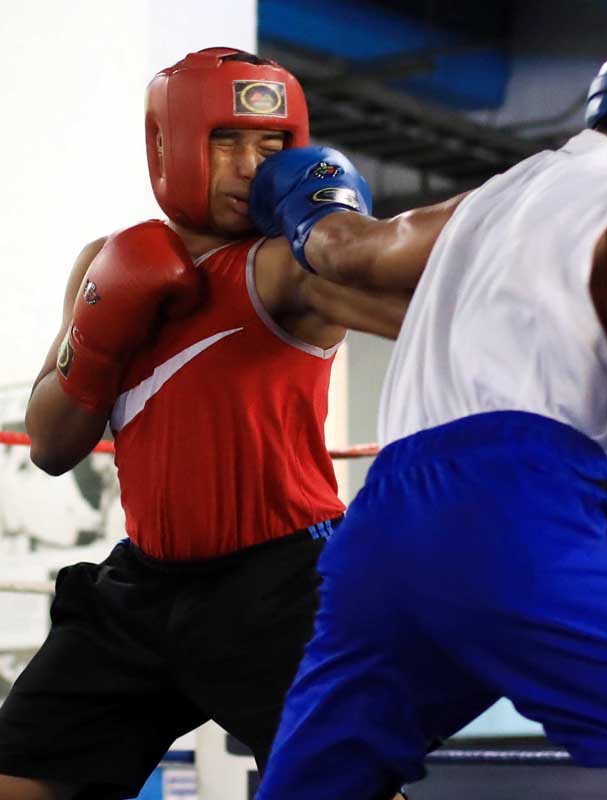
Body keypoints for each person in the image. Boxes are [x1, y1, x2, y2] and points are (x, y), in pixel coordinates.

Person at [250, 36, 607, 800]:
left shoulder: (498, 197)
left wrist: (303, 194)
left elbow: (347, 251)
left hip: (382, 531)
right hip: (519, 515)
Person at [0, 47, 442, 800]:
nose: (250, 166)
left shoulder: (287, 269)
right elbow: (50, 445)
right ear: (167, 145)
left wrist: (343, 230)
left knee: (343, 789)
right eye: (225, 141)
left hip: (283, 587)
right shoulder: (105, 262)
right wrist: (101, 336)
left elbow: (425, 302)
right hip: (140, 589)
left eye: (272, 144)